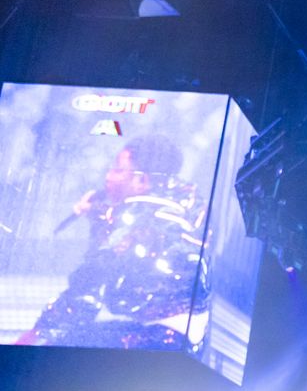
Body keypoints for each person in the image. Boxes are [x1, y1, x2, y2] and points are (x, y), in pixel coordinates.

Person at [17, 134, 210, 351]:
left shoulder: (133, 220)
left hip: (155, 339)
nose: (108, 176)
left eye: (118, 169)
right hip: (185, 340)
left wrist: (33, 337)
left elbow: (88, 289)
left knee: (63, 345)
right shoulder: (181, 208)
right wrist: (102, 216)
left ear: (142, 181)